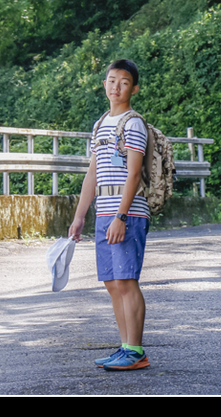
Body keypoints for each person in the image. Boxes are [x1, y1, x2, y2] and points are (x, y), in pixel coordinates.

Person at [68, 58, 151, 371]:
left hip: (126, 212)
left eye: (124, 82)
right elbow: (93, 173)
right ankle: (125, 346)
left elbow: (133, 174)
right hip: (104, 212)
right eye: (112, 80)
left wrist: (121, 216)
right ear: (104, 84)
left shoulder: (133, 124)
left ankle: (136, 351)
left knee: (127, 280)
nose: (116, 87)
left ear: (134, 88)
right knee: (112, 283)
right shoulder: (101, 123)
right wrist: (79, 217)